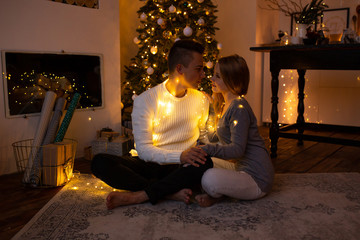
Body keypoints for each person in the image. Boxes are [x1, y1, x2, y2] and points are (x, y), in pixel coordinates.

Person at [91, 39, 212, 209]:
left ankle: (140, 195)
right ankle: (168, 192)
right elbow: (144, 150)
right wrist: (179, 155)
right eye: (199, 69)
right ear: (179, 69)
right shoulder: (145, 100)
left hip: (181, 168)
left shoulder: (201, 100)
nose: (203, 75)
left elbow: (205, 138)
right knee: (99, 162)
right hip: (152, 164)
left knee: (205, 162)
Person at [194, 54, 274, 207]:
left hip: (257, 177)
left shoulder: (239, 108)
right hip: (239, 167)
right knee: (199, 163)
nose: (211, 79)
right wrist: (208, 108)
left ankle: (222, 193)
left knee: (208, 178)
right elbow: (212, 138)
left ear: (231, 80)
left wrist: (207, 149)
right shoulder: (225, 105)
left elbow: (237, 150)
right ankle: (225, 192)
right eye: (213, 75)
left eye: (217, 76)